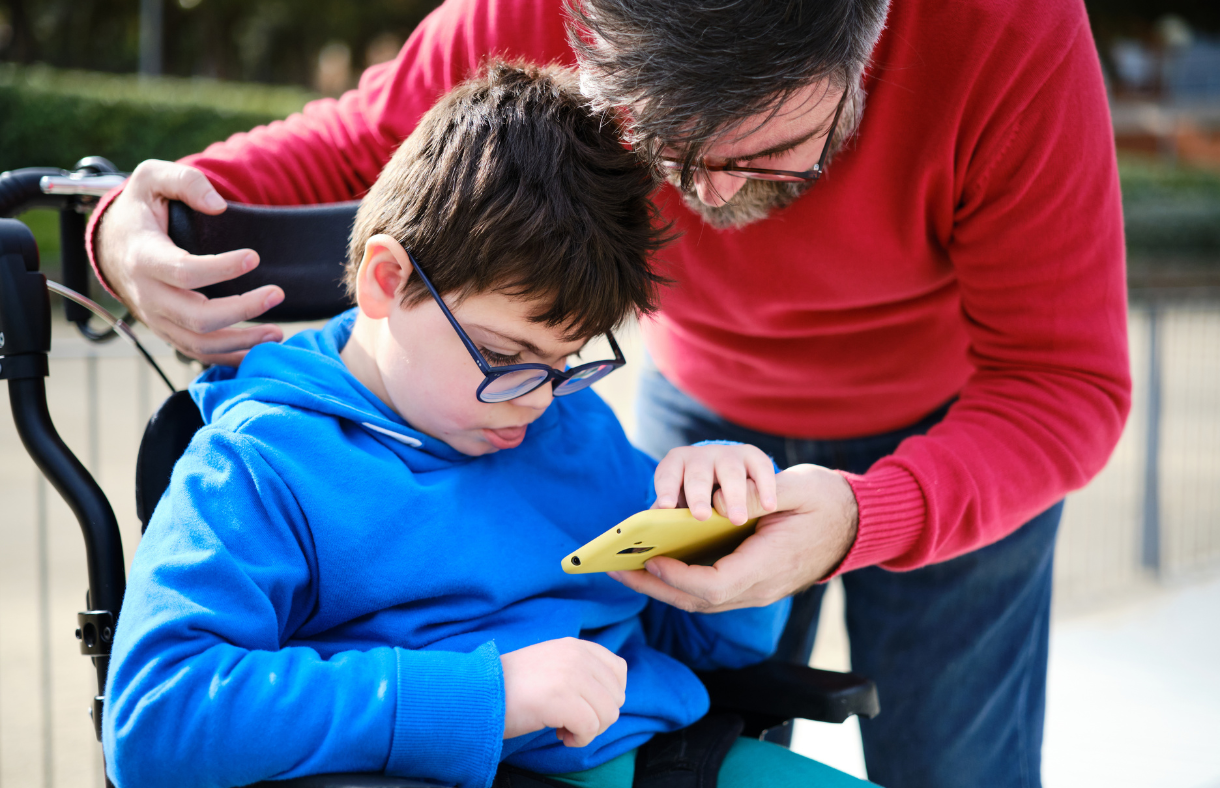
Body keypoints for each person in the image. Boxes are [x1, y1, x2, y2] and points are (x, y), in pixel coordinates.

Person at [89, 0, 1132, 785]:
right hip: (701, 400)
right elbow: (377, 143)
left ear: (864, 48)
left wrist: (850, 515)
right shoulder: (292, 459)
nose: (712, 196)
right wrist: (129, 226)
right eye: (663, 145)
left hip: (958, 422)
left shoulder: (557, 414)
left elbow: (1062, 381)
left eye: (769, 148)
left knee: (961, 759)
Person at [104, 62, 876, 788]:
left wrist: (728, 532)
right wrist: (488, 695)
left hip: (655, 755)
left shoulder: (565, 420)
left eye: (564, 359)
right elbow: (155, 717)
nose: (537, 398)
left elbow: (707, 648)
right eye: (506, 355)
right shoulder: (260, 465)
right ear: (386, 281)